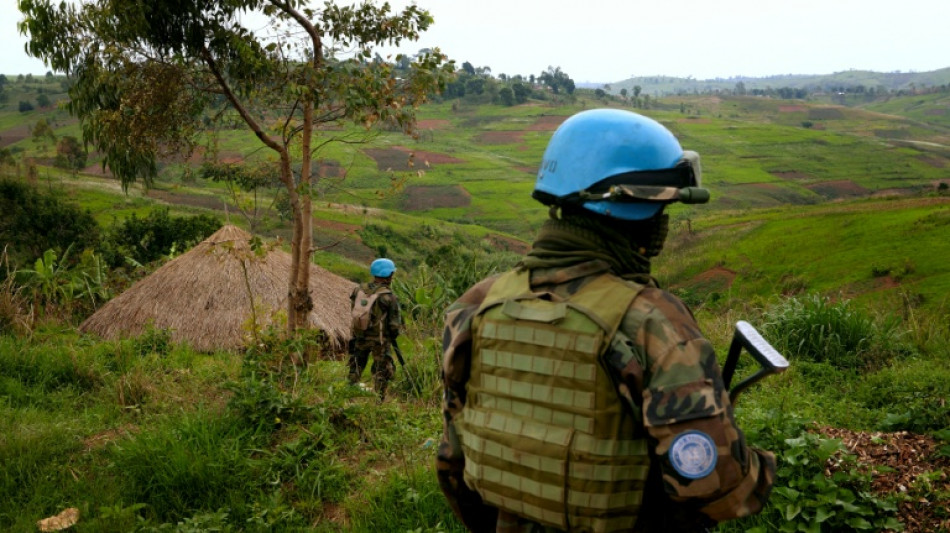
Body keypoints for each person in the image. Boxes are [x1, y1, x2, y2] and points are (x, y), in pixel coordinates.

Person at [436, 109, 775, 532]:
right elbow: (719, 490)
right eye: (663, 209)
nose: (664, 223)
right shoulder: (652, 321)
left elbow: (452, 462)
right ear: (637, 211)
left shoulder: (475, 305)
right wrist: (758, 465)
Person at [348, 257, 402, 401]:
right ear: (389, 275)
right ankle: (379, 399)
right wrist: (391, 337)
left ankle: (348, 394)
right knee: (381, 371)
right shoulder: (389, 297)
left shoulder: (358, 290)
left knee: (356, 366)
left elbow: (354, 310)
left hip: (360, 336)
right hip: (380, 340)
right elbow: (394, 325)